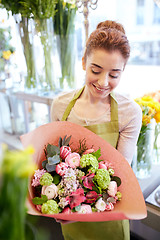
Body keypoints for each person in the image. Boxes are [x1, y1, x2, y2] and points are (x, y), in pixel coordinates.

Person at [51, 20, 142, 240]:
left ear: (123, 71)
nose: (103, 82)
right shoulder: (61, 105)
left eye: (114, 74)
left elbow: (119, 176)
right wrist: (58, 203)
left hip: (109, 211)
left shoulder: (130, 112)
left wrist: (83, 211)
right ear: (84, 62)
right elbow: (53, 161)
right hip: (70, 214)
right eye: (96, 70)